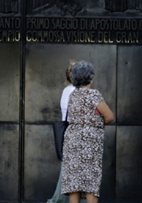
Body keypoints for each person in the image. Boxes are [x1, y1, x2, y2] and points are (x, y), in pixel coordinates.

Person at [61, 61, 115, 203]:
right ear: (91, 77)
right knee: (91, 180)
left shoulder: (73, 95)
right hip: (90, 141)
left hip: (72, 138)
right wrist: (95, 124)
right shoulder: (94, 94)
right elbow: (109, 116)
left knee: (74, 180)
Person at [48, 61, 86, 203]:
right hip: (77, 136)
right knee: (73, 177)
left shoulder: (67, 90)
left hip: (70, 135)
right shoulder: (74, 92)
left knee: (70, 175)